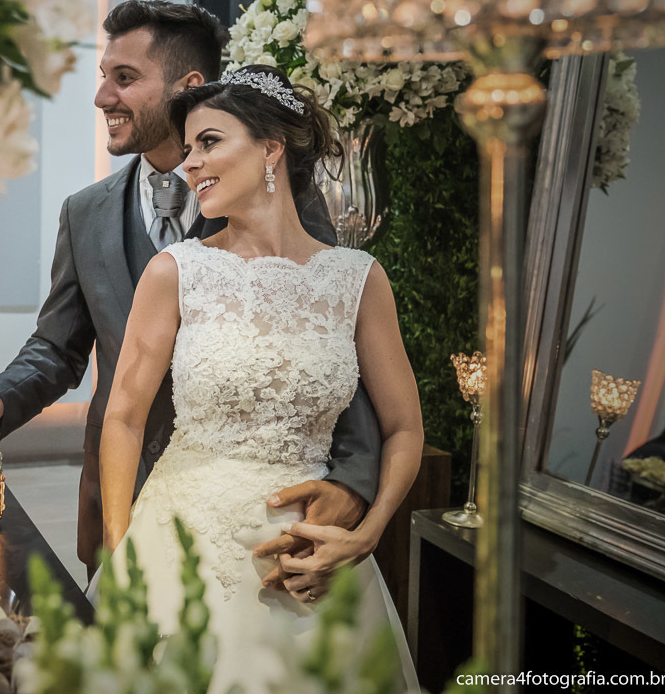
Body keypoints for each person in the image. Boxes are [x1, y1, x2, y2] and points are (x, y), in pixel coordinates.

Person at [0, 1, 383, 591]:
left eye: (124, 78)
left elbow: (328, 346)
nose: (103, 97)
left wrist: (353, 483)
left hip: (269, 518)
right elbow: (58, 346)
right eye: (104, 78)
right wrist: (3, 397)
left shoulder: (280, 202)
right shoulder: (86, 213)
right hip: (121, 494)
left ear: (189, 86)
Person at [99, 66, 423, 691]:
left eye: (210, 142)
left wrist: (369, 532)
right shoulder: (176, 271)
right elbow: (124, 416)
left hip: (313, 553)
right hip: (182, 538)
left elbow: (405, 426)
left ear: (271, 146)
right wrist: (119, 552)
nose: (191, 163)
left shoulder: (356, 278)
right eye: (188, 148)